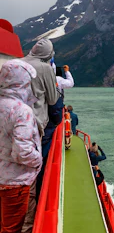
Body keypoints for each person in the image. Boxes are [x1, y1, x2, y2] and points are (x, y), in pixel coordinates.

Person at [0, 60, 42, 233]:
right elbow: (22, 151)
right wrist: (38, 160)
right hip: (15, 181)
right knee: (12, 228)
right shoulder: (21, 110)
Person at [22, 38, 59, 233]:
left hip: (12, 121)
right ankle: (30, 225)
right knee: (33, 171)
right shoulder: (44, 68)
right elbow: (53, 99)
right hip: (35, 124)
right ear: (48, 54)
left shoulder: (18, 63)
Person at [22, 38, 59, 136]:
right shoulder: (46, 68)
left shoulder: (16, 62)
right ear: (48, 54)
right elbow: (52, 100)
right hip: (34, 120)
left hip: (13, 116)